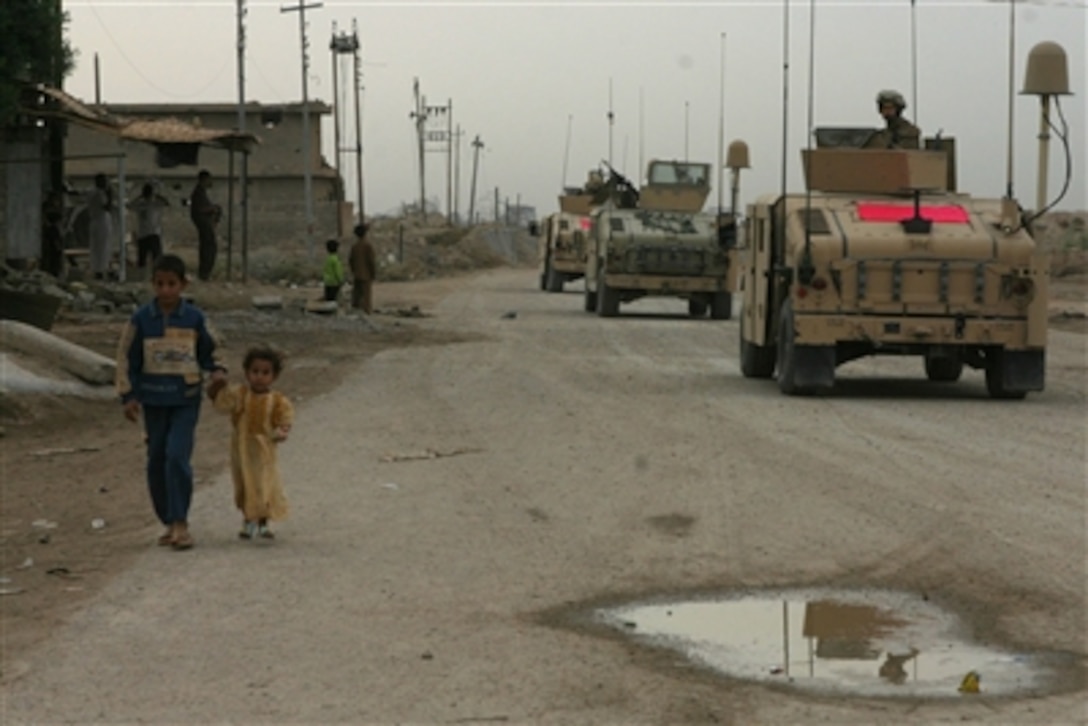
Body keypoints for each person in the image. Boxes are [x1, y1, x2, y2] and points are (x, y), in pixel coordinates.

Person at [116, 254, 227, 550]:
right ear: (153, 284)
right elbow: (127, 358)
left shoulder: (194, 318)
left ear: (183, 284)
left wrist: (217, 371)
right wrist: (128, 396)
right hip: (153, 400)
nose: (166, 291)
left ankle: (181, 522)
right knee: (156, 461)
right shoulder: (141, 319)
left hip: (185, 399)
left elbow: (211, 350)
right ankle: (167, 519)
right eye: (160, 284)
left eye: (171, 284)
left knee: (177, 457)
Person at [207, 346, 294, 540]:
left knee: (265, 485)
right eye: (255, 372)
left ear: (274, 376)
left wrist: (282, 430)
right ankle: (248, 521)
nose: (259, 377)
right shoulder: (240, 394)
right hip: (242, 450)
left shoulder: (277, 400)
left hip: (264, 451)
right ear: (247, 372)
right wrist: (215, 388)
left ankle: (264, 523)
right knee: (245, 485)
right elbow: (222, 403)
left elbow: (285, 417)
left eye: (265, 373)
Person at [128, 182, 169, 271]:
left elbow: (166, 202)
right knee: (142, 258)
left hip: (153, 233)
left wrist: (157, 195)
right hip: (143, 234)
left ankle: (156, 272)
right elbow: (129, 206)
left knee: (156, 257)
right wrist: (139, 197)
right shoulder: (141, 204)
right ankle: (142, 274)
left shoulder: (156, 204)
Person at [189, 170, 221, 281]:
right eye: (208, 180)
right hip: (203, 224)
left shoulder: (201, 192)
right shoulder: (198, 193)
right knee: (208, 248)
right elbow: (199, 209)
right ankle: (204, 273)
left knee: (209, 247)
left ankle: (205, 273)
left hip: (205, 224)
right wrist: (212, 209)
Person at [86, 173, 114, 280]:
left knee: (97, 247)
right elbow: (107, 207)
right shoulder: (99, 193)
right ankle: (100, 270)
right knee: (102, 247)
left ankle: (98, 269)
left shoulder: (91, 192)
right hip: (101, 222)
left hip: (96, 222)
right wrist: (110, 195)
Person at [348, 222, 377, 313]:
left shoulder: (354, 247)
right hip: (366, 274)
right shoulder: (368, 246)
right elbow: (371, 261)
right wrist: (373, 273)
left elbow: (351, 260)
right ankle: (366, 312)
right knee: (366, 296)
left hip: (357, 274)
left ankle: (355, 311)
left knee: (356, 295)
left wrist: (353, 270)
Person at [40, 190, 66, 278]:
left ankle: (55, 272)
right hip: (49, 234)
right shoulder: (47, 208)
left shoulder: (58, 209)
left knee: (57, 255)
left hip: (56, 233)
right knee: (50, 255)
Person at [323, 239, 345, 303]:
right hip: (335, 283)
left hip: (327, 282)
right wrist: (341, 280)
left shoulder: (328, 259)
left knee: (328, 300)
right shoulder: (336, 259)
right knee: (334, 300)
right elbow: (338, 271)